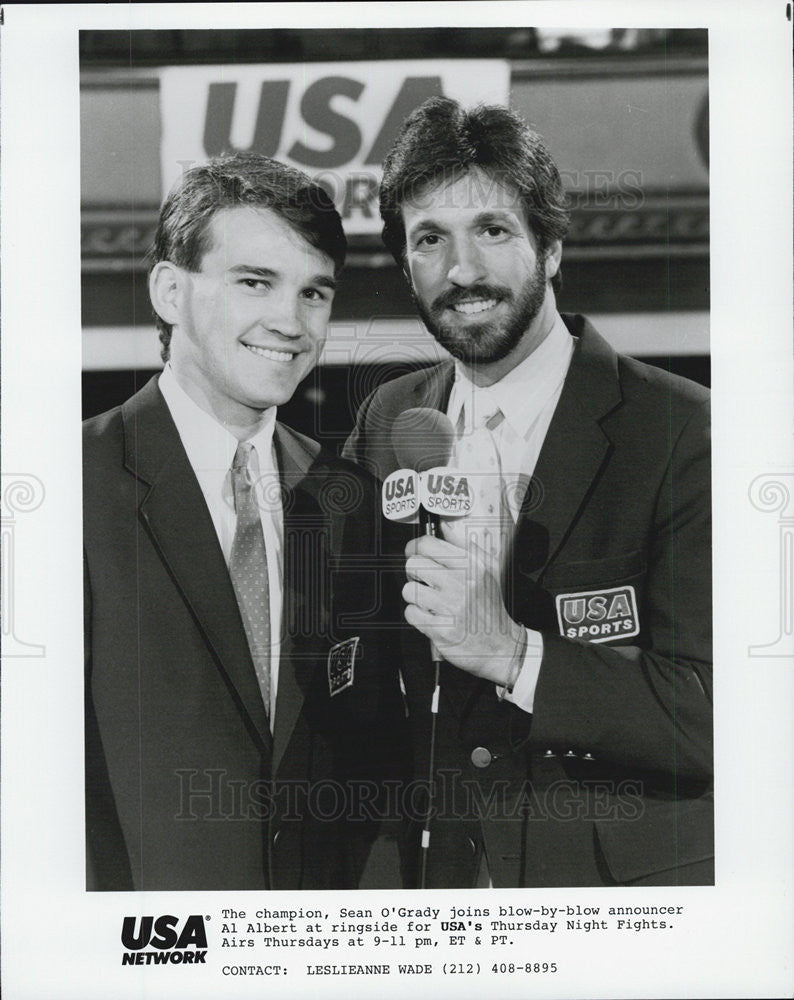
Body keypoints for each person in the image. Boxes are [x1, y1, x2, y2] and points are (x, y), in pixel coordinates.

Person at [344, 97, 713, 888]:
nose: (463, 271)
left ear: (549, 248)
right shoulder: (387, 419)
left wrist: (512, 653)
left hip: (611, 906)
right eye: (430, 239)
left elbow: (718, 712)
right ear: (405, 263)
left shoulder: (685, 431)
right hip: (437, 898)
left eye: (494, 231)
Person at [83, 153, 407, 891]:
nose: (289, 323)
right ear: (169, 290)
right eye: (255, 282)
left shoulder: (349, 499)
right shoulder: (72, 485)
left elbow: (375, 764)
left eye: (314, 293)